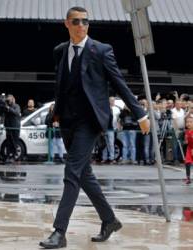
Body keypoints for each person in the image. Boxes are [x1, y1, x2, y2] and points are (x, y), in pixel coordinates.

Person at [39, 6, 150, 249]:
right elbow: (61, 85)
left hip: (90, 122)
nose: (82, 26)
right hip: (67, 120)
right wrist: (56, 110)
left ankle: (59, 232)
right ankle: (109, 220)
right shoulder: (60, 51)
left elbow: (119, 83)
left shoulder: (100, 50)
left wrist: (140, 112)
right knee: (84, 174)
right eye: (76, 21)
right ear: (66, 24)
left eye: (86, 21)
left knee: (72, 171)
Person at [0, 94, 21, 164]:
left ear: (13, 99)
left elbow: (16, 113)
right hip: (8, 128)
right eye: (7, 99)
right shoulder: (6, 106)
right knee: (8, 143)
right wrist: (0, 104)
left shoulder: (16, 106)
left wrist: (8, 108)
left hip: (15, 128)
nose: (8, 100)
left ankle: (13, 157)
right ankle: (8, 156)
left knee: (14, 143)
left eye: (10, 99)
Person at [184, 116, 193, 185]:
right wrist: (185, 141)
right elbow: (186, 142)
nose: (188, 123)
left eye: (190, 122)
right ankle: (188, 178)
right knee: (187, 162)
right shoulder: (186, 131)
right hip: (189, 149)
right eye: (187, 122)